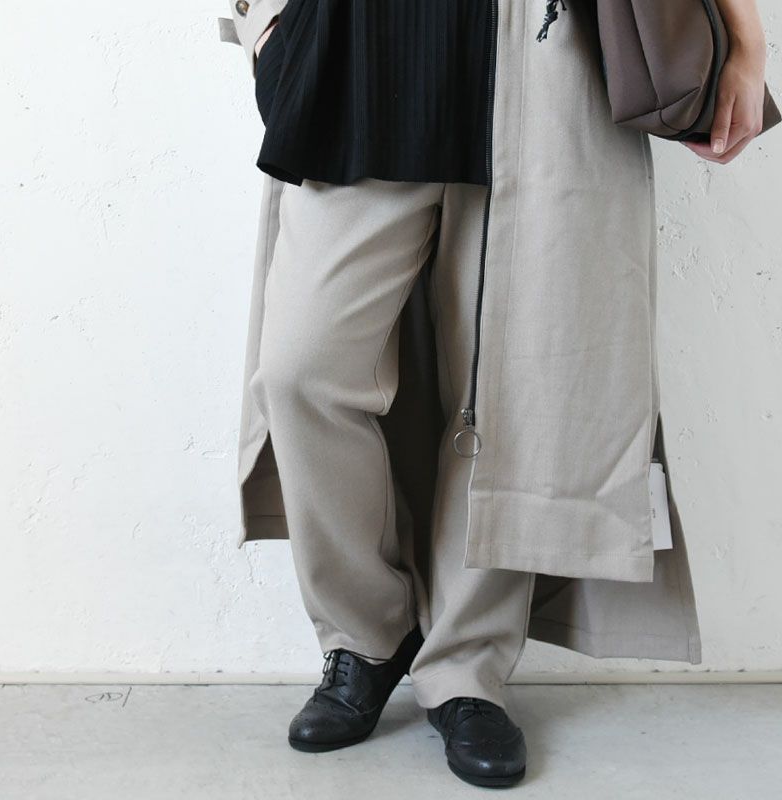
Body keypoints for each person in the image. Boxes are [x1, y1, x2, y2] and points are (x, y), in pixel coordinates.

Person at [218, 0, 769, 787]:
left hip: (544, 66)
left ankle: (466, 671)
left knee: (521, 385)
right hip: (357, 54)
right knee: (302, 368)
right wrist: (266, 26)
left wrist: (747, 42)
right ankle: (365, 636)